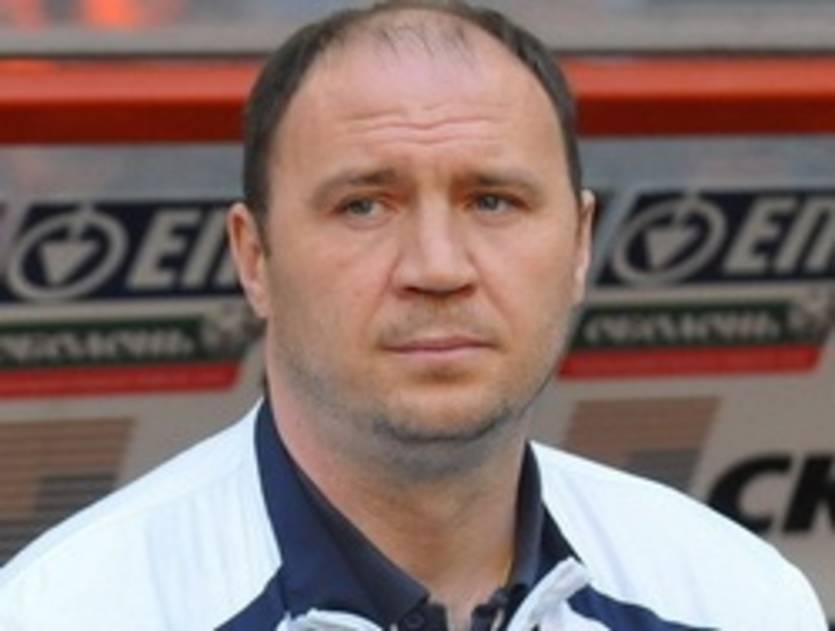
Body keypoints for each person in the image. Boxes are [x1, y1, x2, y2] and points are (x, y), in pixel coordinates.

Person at [0, 1, 827, 629]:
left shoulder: (733, 599)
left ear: (578, 244)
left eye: (492, 200)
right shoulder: (68, 611)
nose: (437, 267)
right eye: (364, 205)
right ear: (253, 258)